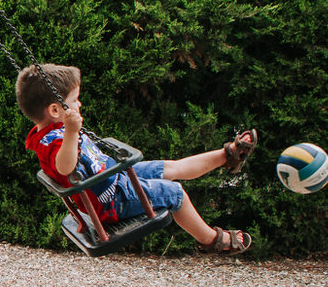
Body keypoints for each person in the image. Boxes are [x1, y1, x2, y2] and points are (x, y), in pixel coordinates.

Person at [16, 63, 256, 255]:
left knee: (170, 167)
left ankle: (230, 155)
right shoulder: (55, 141)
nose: (79, 104)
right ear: (55, 111)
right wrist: (70, 132)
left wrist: (70, 130)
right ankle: (212, 240)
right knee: (176, 193)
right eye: (74, 100)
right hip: (111, 200)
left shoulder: (48, 131)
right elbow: (64, 166)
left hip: (112, 179)